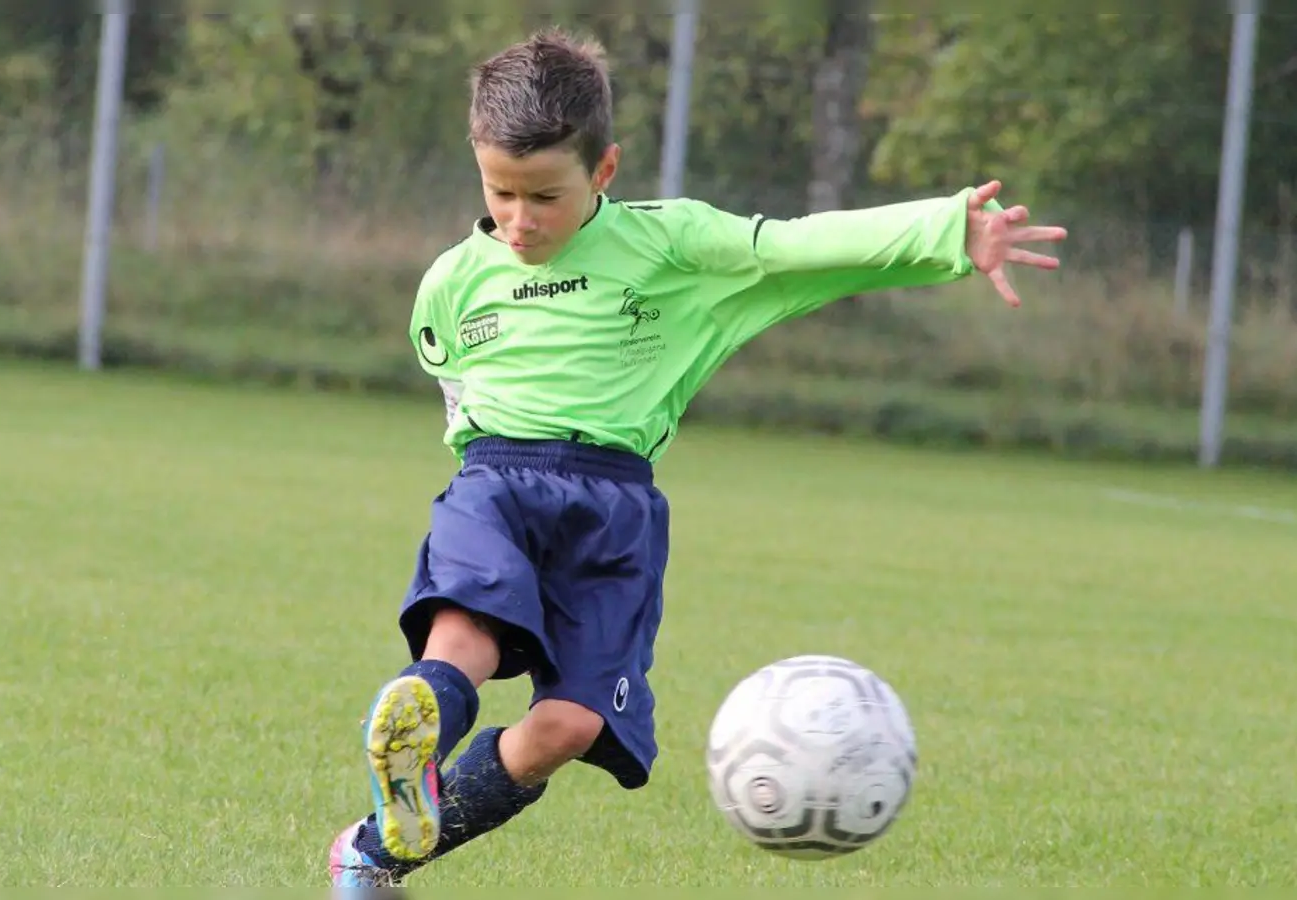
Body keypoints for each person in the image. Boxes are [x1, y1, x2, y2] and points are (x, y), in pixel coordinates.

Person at [327, 25, 1067, 890]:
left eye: (545, 197)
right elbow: (454, 385)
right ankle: (419, 726)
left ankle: (378, 846)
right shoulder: (451, 281)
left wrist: (947, 231)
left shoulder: (670, 247)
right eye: (501, 193)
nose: (521, 220)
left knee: (567, 726)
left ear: (604, 172)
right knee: (465, 633)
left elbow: (795, 249)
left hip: (613, 506)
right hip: (493, 481)